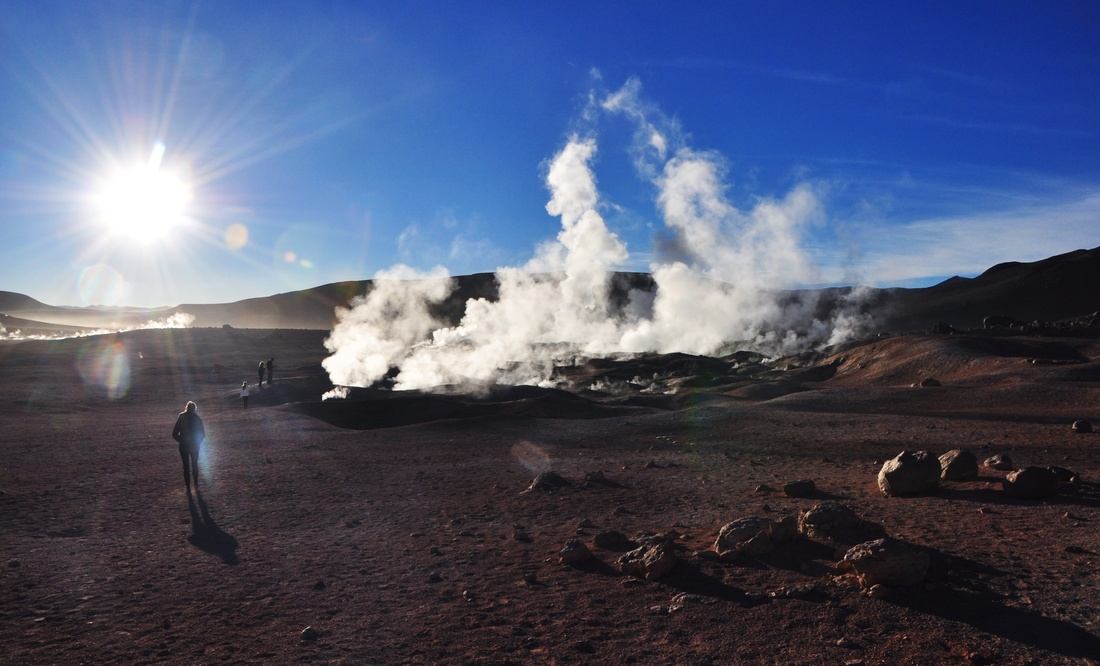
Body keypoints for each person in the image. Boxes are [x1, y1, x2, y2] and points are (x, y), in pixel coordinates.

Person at [172, 401, 206, 492]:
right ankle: (196, 485)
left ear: (186, 407)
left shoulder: (181, 417)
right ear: (195, 409)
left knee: (186, 466)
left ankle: (188, 487)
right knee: (194, 464)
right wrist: (197, 443)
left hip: (183, 446)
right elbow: (202, 434)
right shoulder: (197, 418)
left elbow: (174, 433)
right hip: (194, 446)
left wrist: (181, 441)